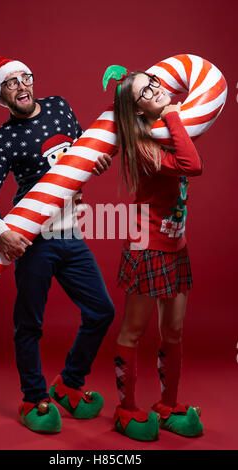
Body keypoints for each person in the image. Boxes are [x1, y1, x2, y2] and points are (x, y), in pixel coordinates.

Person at [0, 56, 115, 434]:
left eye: (25, 78)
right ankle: (34, 398)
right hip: (33, 240)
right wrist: (2, 232)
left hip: (71, 234)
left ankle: (68, 384)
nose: (21, 86)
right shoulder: (2, 138)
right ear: (1, 95)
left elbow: (84, 148)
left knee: (101, 312)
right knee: (29, 324)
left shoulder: (59, 106)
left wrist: (95, 162)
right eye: (11, 83)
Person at [102, 65, 204, 441]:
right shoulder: (143, 146)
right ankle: (126, 409)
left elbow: (189, 154)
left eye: (155, 84)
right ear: (137, 112)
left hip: (176, 246)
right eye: (145, 93)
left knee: (173, 330)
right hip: (147, 248)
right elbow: (193, 166)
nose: (156, 92)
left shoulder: (170, 132)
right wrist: (174, 114)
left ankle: (168, 405)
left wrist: (174, 118)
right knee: (134, 331)